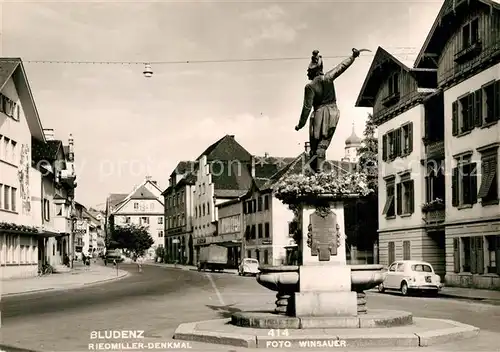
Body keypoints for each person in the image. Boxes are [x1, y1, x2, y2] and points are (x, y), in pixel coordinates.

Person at [295, 48, 361, 173]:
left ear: (314, 71)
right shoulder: (328, 77)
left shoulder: (310, 86)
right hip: (333, 113)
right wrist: (353, 56)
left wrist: (300, 124)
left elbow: (307, 108)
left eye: (308, 71)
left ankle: (317, 174)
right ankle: (318, 172)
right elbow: (342, 66)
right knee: (323, 145)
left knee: (316, 147)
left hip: (320, 114)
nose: (307, 73)